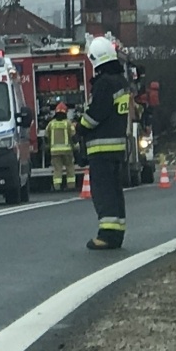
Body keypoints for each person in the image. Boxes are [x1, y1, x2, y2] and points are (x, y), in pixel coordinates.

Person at [77, 37, 131, 250]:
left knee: (104, 193)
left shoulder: (104, 84)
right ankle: (116, 233)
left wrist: (79, 126)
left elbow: (95, 115)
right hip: (116, 148)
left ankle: (107, 235)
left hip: (101, 149)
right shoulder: (121, 82)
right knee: (115, 192)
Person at [45, 102, 76, 192]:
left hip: (54, 152)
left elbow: (46, 136)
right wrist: (76, 146)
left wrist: (48, 146)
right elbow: (73, 136)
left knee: (57, 169)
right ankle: (71, 186)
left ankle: (57, 187)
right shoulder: (68, 123)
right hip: (67, 151)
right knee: (70, 168)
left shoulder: (51, 124)